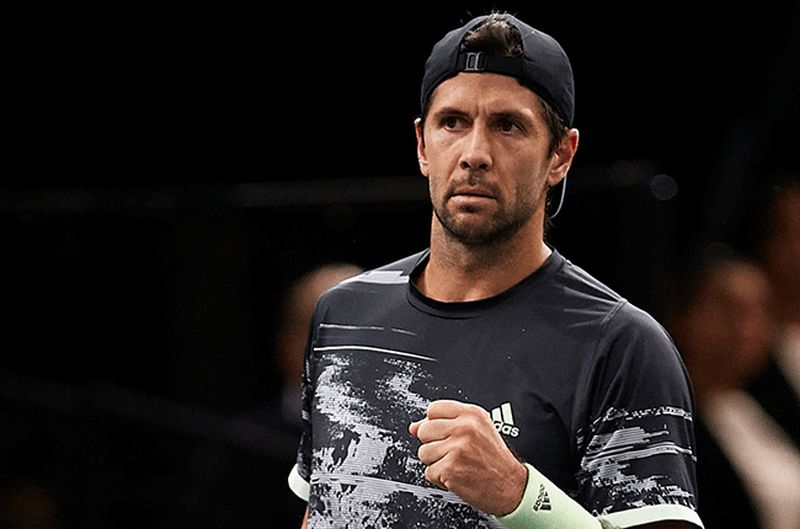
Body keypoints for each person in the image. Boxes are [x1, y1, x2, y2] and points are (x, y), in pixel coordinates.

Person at [288, 12, 703, 528]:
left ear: (561, 155)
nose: (475, 153)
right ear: (422, 145)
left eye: (508, 126)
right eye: (452, 122)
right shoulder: (343, 313)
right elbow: (321, 512)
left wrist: (519, 496)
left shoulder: (620, 346)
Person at [668, 249, 800, 529]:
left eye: (760, 312)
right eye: (729, 310)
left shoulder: (762, 404)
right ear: (683, 315)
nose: (745, 330)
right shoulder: (666, 422)